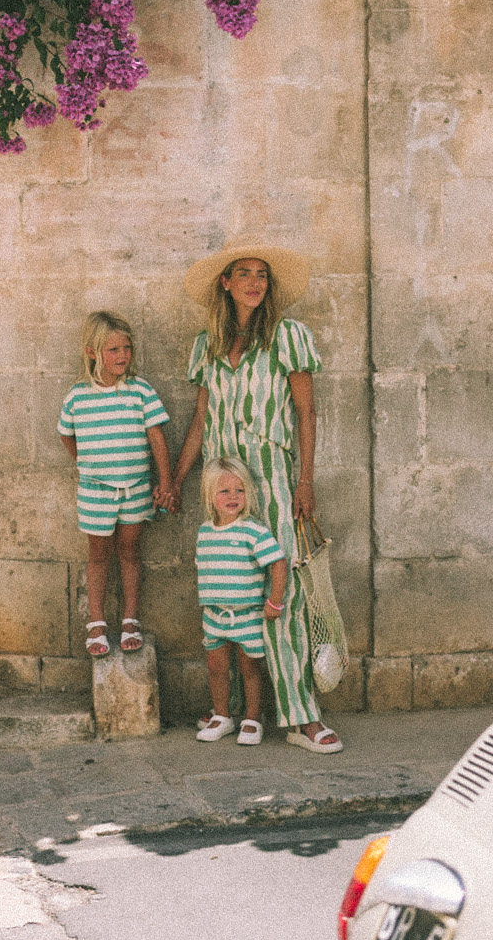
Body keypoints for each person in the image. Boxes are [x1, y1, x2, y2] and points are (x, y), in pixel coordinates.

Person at [171, 244, 344, 753]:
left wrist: (305, 481)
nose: (254, 283)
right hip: (222, 485)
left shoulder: (288, 337)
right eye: (243, 274)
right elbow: (202, 418)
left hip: (270, 479)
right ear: (226, 282)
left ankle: (302, 717)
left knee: (281, 594)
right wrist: (178, 478)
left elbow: (305, 413)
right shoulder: (207, 346)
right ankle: (235, 712)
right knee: (233, 595)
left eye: (261, 275)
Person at [58, 311, 174, 658]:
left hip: (135, 488)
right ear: (92, 352)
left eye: (127, 347)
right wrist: (87, 463)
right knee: (97, 556)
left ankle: (130, 619)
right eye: (113, 349)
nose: (122, 355)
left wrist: (165, 480)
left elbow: (157, 437)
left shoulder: (140, 391)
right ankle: (96, 622)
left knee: (130, 552)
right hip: (96, 491)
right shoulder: (78, 396)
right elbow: (67, 435)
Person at [194, 457, 286, 748]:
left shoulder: (253, 530)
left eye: (239, 490)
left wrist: (275, 602)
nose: (233, 497)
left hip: (247, 615)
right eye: (224, 491)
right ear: (210, 496)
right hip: (214, 615)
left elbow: (278, 563)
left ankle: (252, 718)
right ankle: (222, 716)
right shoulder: (204, 532)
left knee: (250, 670)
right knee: (217, 669)